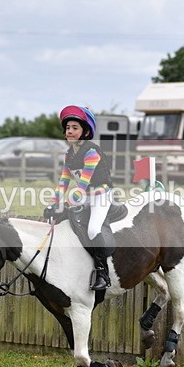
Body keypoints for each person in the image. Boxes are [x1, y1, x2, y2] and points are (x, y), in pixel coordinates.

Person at [43, 105, 114, 291]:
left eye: (75, 127)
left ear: (85, 131)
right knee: (59, 221)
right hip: (83, 196)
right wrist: (53, 204)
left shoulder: (92, 152)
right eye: (68, 128)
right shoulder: (69, 154)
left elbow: (81, 186)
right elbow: (63, 183)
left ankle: (102, 272)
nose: (70, 131)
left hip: (101, 195)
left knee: (92, 229)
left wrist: (66, 203)